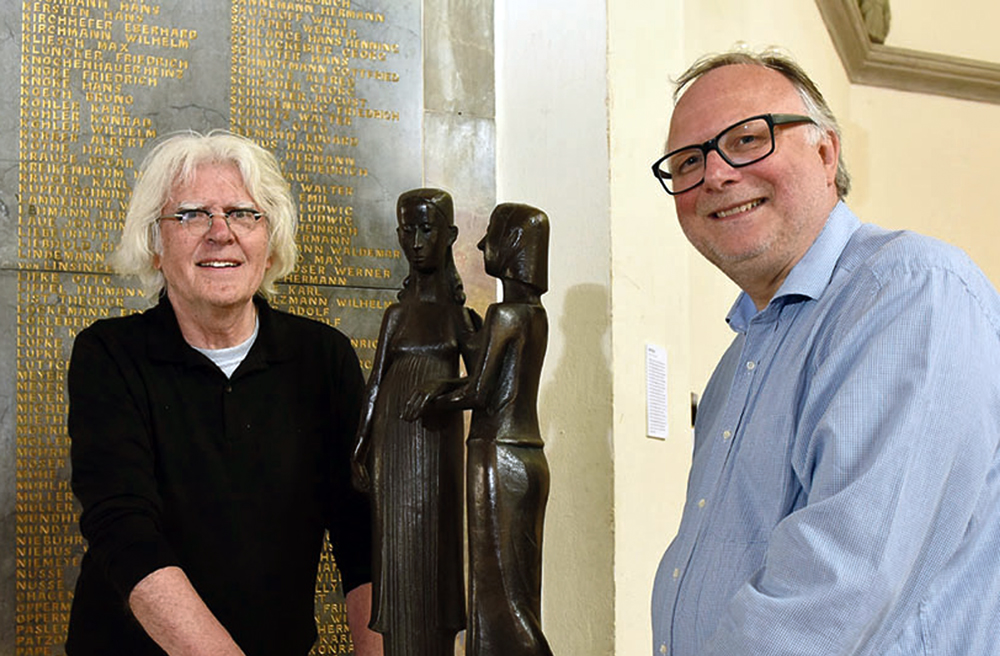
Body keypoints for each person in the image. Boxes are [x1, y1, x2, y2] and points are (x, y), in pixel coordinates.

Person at [650, 48, 1000, 656]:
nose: (715, 175)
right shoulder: (737, 364)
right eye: (688, 161)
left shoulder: (910, 290)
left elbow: (838, 588)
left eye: (747, 139)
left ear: (825, 152)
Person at [65, 130, 382, 656]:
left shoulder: (323, 357)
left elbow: (362, 534)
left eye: (243, 214)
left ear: (270, 243)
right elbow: (123, 529)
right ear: (155, 245)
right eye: (191, 214)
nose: (220, 233)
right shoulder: (110, 355)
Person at [405, 203, 553, 656]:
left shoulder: (505, 315)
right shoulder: (534, 315)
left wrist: (431, 395)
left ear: (513, 246)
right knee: (515, 591)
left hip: (496, 453)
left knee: (501, 594)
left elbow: (478, 392)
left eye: (492, 235)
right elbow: (487, 374)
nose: (484, 244)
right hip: (526, 455)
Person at [351, 188, 478, 656]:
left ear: (450, 235)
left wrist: (443, 389)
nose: (417, 242)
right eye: (408, 231)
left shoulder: (459, 316)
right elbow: (375, 383)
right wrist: (360, 447)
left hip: (435, 447)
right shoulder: (396, 315)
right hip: (393, 445)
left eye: (427, 229)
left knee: (433, 555)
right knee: (397, 556)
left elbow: (484, 386)